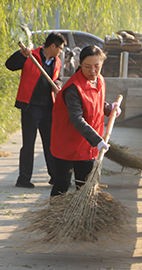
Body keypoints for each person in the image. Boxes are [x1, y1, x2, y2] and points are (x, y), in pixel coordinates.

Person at [49, 44, 120, 197]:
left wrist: (110, 108)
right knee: (62, 184)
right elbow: (76, 118)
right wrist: (97, 140)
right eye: (87, 66)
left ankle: (80, 217)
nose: (92, 71)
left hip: (86, 144)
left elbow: (96, 102)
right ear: (80, 64)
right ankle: (54, 215)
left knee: (84, 185)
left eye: (97, 66)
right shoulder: (74, 88)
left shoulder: (99, 80)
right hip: (67, 143)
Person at [5, 31, 66, 188]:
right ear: (52, 46)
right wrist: (20, 54)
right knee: (28, 143)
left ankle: (55, 176)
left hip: (48, 107)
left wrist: (58, 85)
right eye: (60, 48)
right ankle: (23, 179)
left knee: (51, 143)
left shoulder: (57, 61)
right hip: (30, 107)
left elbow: (58, 78)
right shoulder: (29, 56)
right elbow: (9, 65)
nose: (61, 51)